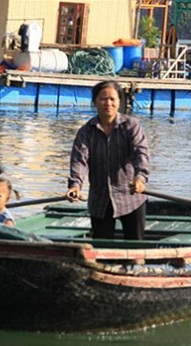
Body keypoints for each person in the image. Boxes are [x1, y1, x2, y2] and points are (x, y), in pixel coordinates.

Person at [66, 81, 150, 240]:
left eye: (113, 99)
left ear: (119, 102)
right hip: (100, 199)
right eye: (103, 99)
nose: (108, 103)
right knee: (101, 247)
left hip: (131, 197)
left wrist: (140, 178)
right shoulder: (86, 131)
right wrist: (75, 185)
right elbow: (79, 160)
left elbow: (141, 154)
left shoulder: (131, 126)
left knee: (135, 248)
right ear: (95, 102)